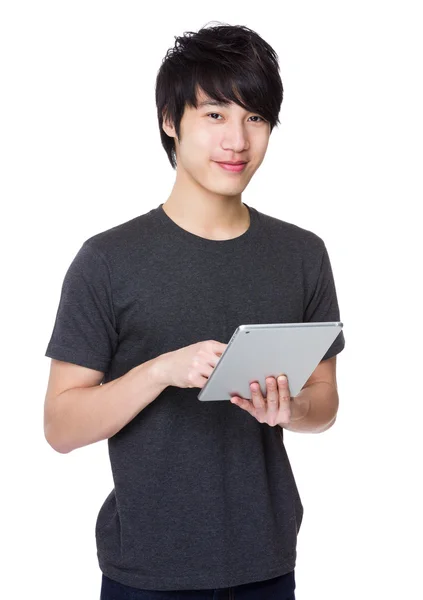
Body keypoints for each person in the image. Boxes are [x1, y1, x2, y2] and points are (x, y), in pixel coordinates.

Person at [44, 22, 345, 600]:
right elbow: (60, 427)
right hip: (146, 574)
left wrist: (291, 408)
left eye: (254, 117)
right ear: (169, 121)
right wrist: (159, 371)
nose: (237, 140)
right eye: (214, 114)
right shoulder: (107, 260)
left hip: (267, 564)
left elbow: (326, 405)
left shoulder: (302, 254)